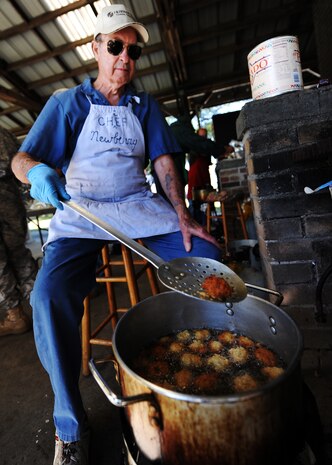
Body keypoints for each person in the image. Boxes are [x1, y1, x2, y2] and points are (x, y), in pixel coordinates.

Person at [11, 4, 221, 465]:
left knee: (208, 259)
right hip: (80, 210)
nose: (124, 56)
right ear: (95, 49)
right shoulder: (66, 103)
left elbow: (165, 162)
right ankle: (70, 425)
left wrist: (181, 215)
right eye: (114, 45)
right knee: (48, 298)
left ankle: (205, 369)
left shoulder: (145, 106)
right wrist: (40, 174)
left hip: (137, 206)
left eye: (133, 49)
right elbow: (20, 160)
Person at [0, 126, 37, 336]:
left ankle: (15, 316)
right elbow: (19, 161)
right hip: (9, 198)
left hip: (8, 196)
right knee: (19, 253)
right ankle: (39, 307)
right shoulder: (3, 133)